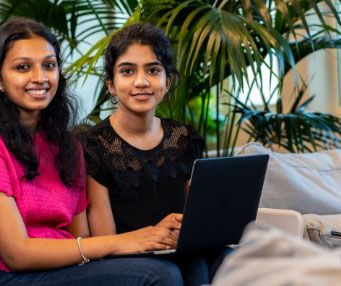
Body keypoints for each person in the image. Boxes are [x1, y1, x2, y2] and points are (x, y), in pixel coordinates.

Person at [0, 17, 185, 286]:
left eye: (49, 65)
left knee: (191, 265)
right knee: (158, 275)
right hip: (14, 276)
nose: (40, 77)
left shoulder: (66, 144)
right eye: (23, 67)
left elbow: (79, 236)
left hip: (68, 266)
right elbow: (17, 253)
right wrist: (122, 242)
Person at [81, 22, 231, 285]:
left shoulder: (184, 138)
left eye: (153, 70)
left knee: (229, 259)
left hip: (181, 250)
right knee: (182, 270)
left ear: (167, 81)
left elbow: (196, 219)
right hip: (128, 258)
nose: (141, 82)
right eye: (127, 71)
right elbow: (103, 241)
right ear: (111, 85)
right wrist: (154, 235)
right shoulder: (94, 145)